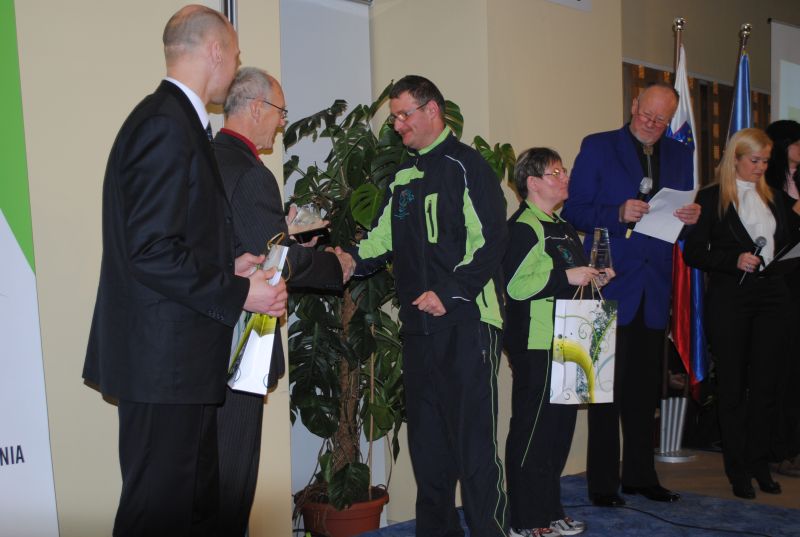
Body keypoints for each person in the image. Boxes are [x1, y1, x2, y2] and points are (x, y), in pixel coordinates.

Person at [82, 7, 288, 536]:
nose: (235, 65)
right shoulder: (163, 124)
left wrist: (227, 264)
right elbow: (150, 250)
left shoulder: (177, 123)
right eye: (235, 54)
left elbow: (169, 239)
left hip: (181, 365)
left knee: (191, 514)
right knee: (156, 516)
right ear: (215, 51)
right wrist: (239, 291)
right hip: (163, 368)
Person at [334, 75, 509, 537]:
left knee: (474, 449)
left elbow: (491, 240)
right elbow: (381, 241)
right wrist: (346, 259)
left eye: (403, 115)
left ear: (432, 110)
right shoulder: (403, 179)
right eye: (394, 117)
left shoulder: (467, 166)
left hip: (467, 324)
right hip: (418, 330)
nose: (397, 125)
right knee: (428, 450)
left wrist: (450, 292)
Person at [212, 67, 348, 536]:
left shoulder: (204, 160)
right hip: (238, 351)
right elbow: (275, 262)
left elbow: (237, 245)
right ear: (257, 108)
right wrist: (334, 265)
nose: (282, 123)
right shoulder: (250, 173)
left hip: (200, 348)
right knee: (230, 488)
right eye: (281, 112)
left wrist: (284, 234)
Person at [561, 82, 700, 507]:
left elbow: (679, 225)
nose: (652, 124)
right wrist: (617, 213)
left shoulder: (681, 154)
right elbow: (574, 211)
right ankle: (603, 484)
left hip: (654, 287)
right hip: (607, 283)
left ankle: (641, 476)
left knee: (643, 393)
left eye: (661, 119)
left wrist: (691, 218)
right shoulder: (599, 146)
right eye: (646, 115)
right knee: (603, 392)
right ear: (634, 105)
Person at [504, 148, 615, 537]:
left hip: (573, 337)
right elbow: (515, 286)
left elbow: (572, 277)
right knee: (533, 432)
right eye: (556, 172)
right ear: (533, 183)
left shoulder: (563, 225)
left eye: (563, 170)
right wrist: (566, 276)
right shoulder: (523, 227)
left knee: (557, 434)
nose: (565, 176)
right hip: (538, 342)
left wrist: (594, 277)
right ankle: (524, 519)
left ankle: (550, 510)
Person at [684, 128, 800, 499]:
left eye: (765, 161)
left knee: (767, 386)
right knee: (732, 387)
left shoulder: (775, 197)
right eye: (755, 160)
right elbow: (694, 253)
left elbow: (790, 241)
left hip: (773, 297)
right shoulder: (711, 197)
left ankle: (759, 464)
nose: (761, 167)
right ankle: (737, 471)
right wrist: (733, 260)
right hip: (731, 298)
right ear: (735, 158)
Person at [765, 120, 800, 478]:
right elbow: (780, 229)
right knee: (782, 368)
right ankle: (778, 448)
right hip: (779, 284)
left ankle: (794, 445)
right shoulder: (768, 185)